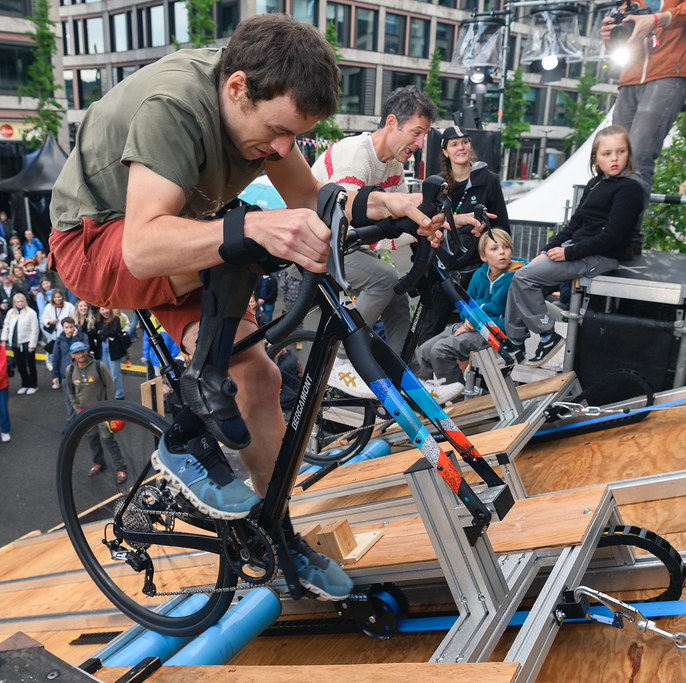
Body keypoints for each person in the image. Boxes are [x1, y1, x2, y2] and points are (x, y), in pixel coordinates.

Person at [48, 14, 442, 600]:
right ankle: (184, 434)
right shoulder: (176, 108)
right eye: (279, 132)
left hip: (180, 235)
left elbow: (310, 195)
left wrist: (385, 204)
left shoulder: (261, 105)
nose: (282, 150)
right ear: (236, 88)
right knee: (245, 235)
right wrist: (253, 227)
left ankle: (277, 532)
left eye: (295, 137)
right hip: (97, 241)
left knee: (259, 378)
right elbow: (142, 245)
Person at [311, 86, 439, 359]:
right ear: (392, 122)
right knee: (384, 278)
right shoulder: (355, 157)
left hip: (344, 246)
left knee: (397, 292)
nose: (420, 143)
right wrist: (414, 229)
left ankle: (404, 372)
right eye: (417, 132)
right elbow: (348, 225)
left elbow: (403, 221)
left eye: (424, 135)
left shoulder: (394, 166)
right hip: (315, 243)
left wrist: (435, 225)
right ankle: (339, 358)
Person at [504, 125, 646, 367]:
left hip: (598, 256)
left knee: (524, 278)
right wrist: (546, 250)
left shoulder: (629, 189)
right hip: (578, 250)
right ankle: (516, 341)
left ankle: (546, 336)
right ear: (595, 159)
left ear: (628, 154)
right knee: (520, 277)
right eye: (607, 153)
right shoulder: (595, 183)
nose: (614, 158)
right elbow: (575, 224)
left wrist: (568, 252)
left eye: (620, 151)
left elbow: (612, 236)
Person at [601, 1, 686, 193]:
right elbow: (621, 43)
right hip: (630, 75)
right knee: (614, 158)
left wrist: (656, 19)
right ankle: (611, 211)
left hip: (669, 71)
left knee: (638, 156)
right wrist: (611, 37)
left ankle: (626, 213)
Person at [420, 125, 512, 339]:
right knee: (429, 330)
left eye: (465, 142)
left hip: (476, 269)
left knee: (477, 329)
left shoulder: (488, 179)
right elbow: (425, 223)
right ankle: (424, 363)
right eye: (454, 144)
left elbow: (501, 226)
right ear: (445, 151)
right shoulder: (436, 183)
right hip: (442, 269)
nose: (461, 147)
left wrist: (488, 234)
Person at [413, 229, 526, 403]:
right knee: (424, 350)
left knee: (440, 351)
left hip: (497, 333)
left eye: (506, 247)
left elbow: (514, 320)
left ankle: (455, 399)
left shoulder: (517, 279)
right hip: (473, 325)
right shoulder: (479, 275)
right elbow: (466, 305)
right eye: (494, 248)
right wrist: (468, 320)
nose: (502, 252)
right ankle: (426, 399)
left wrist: (478, 323)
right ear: (483, 256)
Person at [66, 340, 129, 484]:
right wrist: (77, 409)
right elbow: (70, 392)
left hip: (102, 411)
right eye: (77, 353)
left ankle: (121, 468)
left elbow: (110, 387)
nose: (81, 355)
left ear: (86, 351)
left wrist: (110, 408)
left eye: (82, 351)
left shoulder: (98, 366)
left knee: (108, 439)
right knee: (92, 439)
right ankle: (99, 463)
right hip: (85, 413)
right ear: (72, 355)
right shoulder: (70, 370)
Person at [51, 317, 88, 426]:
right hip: (65, 375)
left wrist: (75, 338)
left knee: (83, 399)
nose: (69, 330)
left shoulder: (82, 337)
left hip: (80, 372)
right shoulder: (59, 340)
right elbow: (55, 358)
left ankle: (84, 422)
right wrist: (55, 375)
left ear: (75, 327)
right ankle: (72, 423)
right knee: (69, 400)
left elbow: (82, 351)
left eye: (71, 327)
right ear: (63, 328)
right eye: (66, 327)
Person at [1, 293, 40, 395]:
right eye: (18, 301)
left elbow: (35, 329)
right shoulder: (11, 313)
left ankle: (33, 385)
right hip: (15, 343)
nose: (20, 303)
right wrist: (4, 339)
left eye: (22, 301)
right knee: (20, 365)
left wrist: (32, 345)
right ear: (14, 303)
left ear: (25, 301)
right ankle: (25, 384)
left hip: (27, 343)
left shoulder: (31, 313)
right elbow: (6, 326)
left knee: (30, 365)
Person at [92, 306, 128, 400]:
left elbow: (114, 331)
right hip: (102, 346)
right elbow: (97, 333)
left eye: (106, 309)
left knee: (115, 374)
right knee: (105, 372)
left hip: (113, 347)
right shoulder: (98, 320)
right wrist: (105, 333)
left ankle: (119, 394)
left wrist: (102, 332)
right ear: (99, 311)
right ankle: (109, 393)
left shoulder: (115, 318)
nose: (105, 311)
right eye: (102, 309)